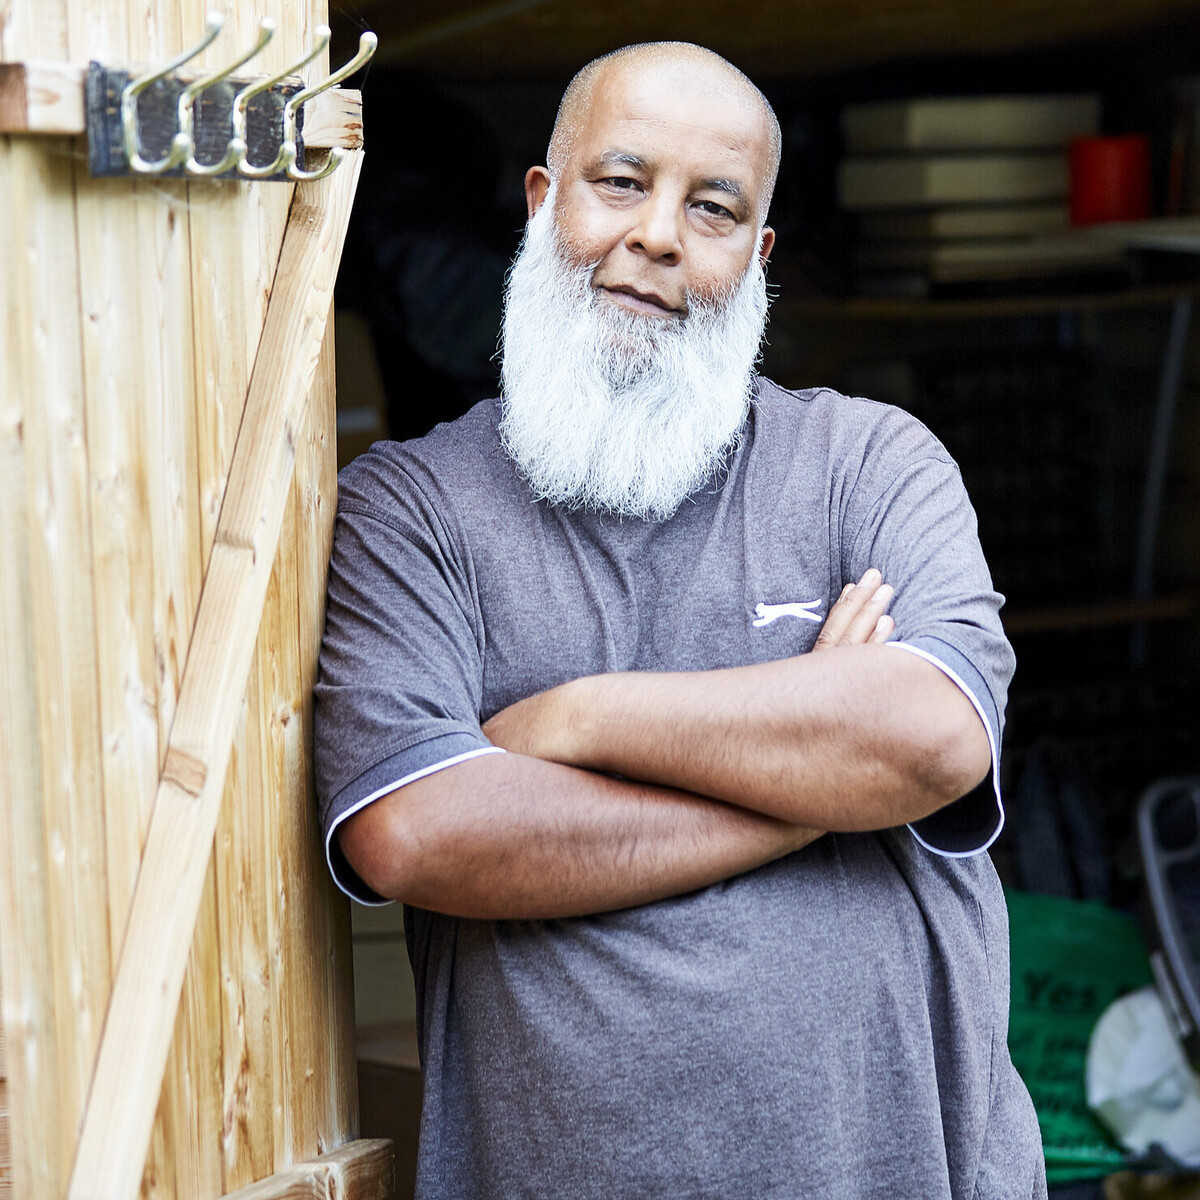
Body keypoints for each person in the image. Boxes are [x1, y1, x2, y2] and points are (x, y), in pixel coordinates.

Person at [314, 41, 1046, 1199]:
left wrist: (578, 718)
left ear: (755, 258)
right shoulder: (412, 510)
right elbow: (416, 833)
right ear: (543, 204)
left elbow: (929, 743)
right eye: (621, 181)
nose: (657, 234)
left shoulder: (868, 462)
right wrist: (819, 800)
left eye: (711, 206)